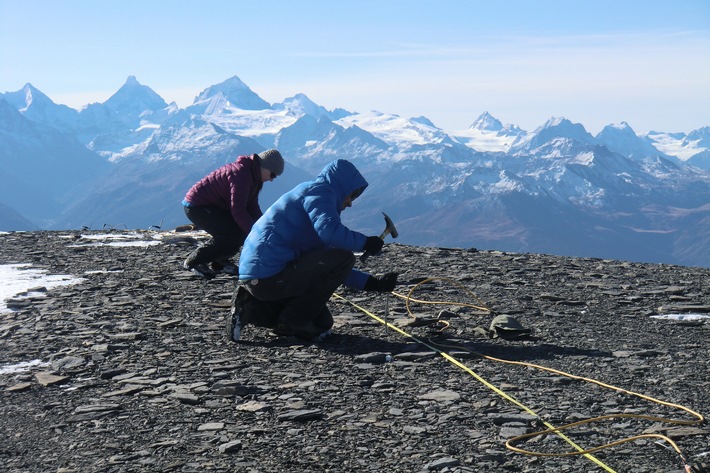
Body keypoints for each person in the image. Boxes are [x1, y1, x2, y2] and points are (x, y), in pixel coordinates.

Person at [228, 159, 398, 343]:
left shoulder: (312, 196)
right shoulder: (320, 193)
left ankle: (252, 308)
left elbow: (326, 263)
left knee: (322, 323)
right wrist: (365, 242)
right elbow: (331, 236)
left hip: (262, 276)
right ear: (342, 187)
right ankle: (291, 320)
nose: (350, 203)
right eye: (352, 195)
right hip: (268, 275)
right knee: (344, 258)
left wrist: (373, 283)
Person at [182, 149, 285, 279]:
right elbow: (238, 210)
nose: (271, 179)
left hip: (214, 206)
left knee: (239, 231)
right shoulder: (242, 175)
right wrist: (255, 233)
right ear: (264, 167)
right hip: (197, 206)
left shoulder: (254, 177)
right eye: (273, 175)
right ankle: (193, 261)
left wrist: (264, 227)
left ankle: (219, 261)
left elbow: (251, 206)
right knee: (229, 233)